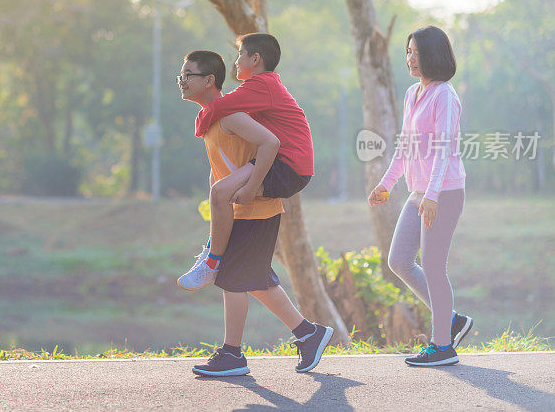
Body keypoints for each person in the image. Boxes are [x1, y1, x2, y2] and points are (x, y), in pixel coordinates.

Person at [178, 50, 333, 376]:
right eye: (181, 74)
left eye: (188, 74)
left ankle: (233, 354)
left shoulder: (230, 115)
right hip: (242, 210)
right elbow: (219, 171)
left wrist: (248, 190)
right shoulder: (211, 121)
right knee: (257, 281)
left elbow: (270, 142)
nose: (181, 80)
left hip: (257, 209)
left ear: (209, 81)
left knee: (232, 278)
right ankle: (308, 334)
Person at [368, 25, 472, 367]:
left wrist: (433, 195)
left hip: (443, 193)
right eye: (408, 52)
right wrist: (387, 183)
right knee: (399, 261)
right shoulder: (414, 92)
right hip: (418, 193)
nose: (410, 59)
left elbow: (443, 150)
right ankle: (452, 319)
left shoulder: (445, 95)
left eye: (417, 53)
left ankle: (443, 346)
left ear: (433, 56)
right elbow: (405, 147)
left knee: (432, 266)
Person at [178, 33, 314, 292]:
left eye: (240, 55)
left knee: (220, 192)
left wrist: (251, 186)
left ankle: (212, 261)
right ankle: (211, 254)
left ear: (255, 58)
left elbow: (220, 107)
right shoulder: (260, 87)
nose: (236, 61)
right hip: (287, 164)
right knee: (220, 192)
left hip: (288, 164)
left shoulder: (262, 85)